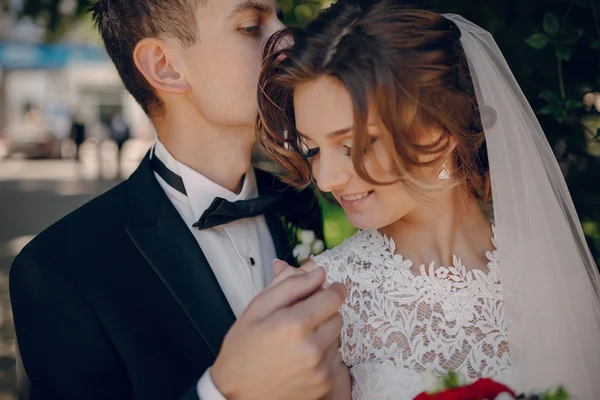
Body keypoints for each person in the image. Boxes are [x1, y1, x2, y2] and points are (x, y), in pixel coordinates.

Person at [257, 1, 600, 399]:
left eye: (351, 146)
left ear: (439, 131)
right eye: (311, 148)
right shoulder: (325, 300)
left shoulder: (551, 273)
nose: (326, 177)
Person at [9, 1, 344, 399]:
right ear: (164, 66)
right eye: (252, 26)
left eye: (280, 17)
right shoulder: (59, 270)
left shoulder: (298, 201)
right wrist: (222, 390)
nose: (288, 37)